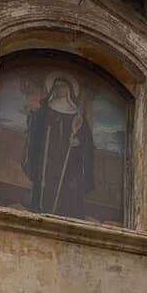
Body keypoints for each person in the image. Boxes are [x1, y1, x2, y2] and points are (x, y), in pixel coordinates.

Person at [22, 75, 94, 216]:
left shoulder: (76, 114)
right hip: (48, 156)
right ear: (53, 89)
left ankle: (66, 213)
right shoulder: (46, 109)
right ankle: (40, 208)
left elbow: (85, 138)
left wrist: (78, 142)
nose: (60, 89)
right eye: (57, 86)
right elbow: (36, 131)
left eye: (63, 86)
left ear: (69, 90)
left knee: (68, 185)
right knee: (45, 181)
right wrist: (33, 117)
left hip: (68, 159)